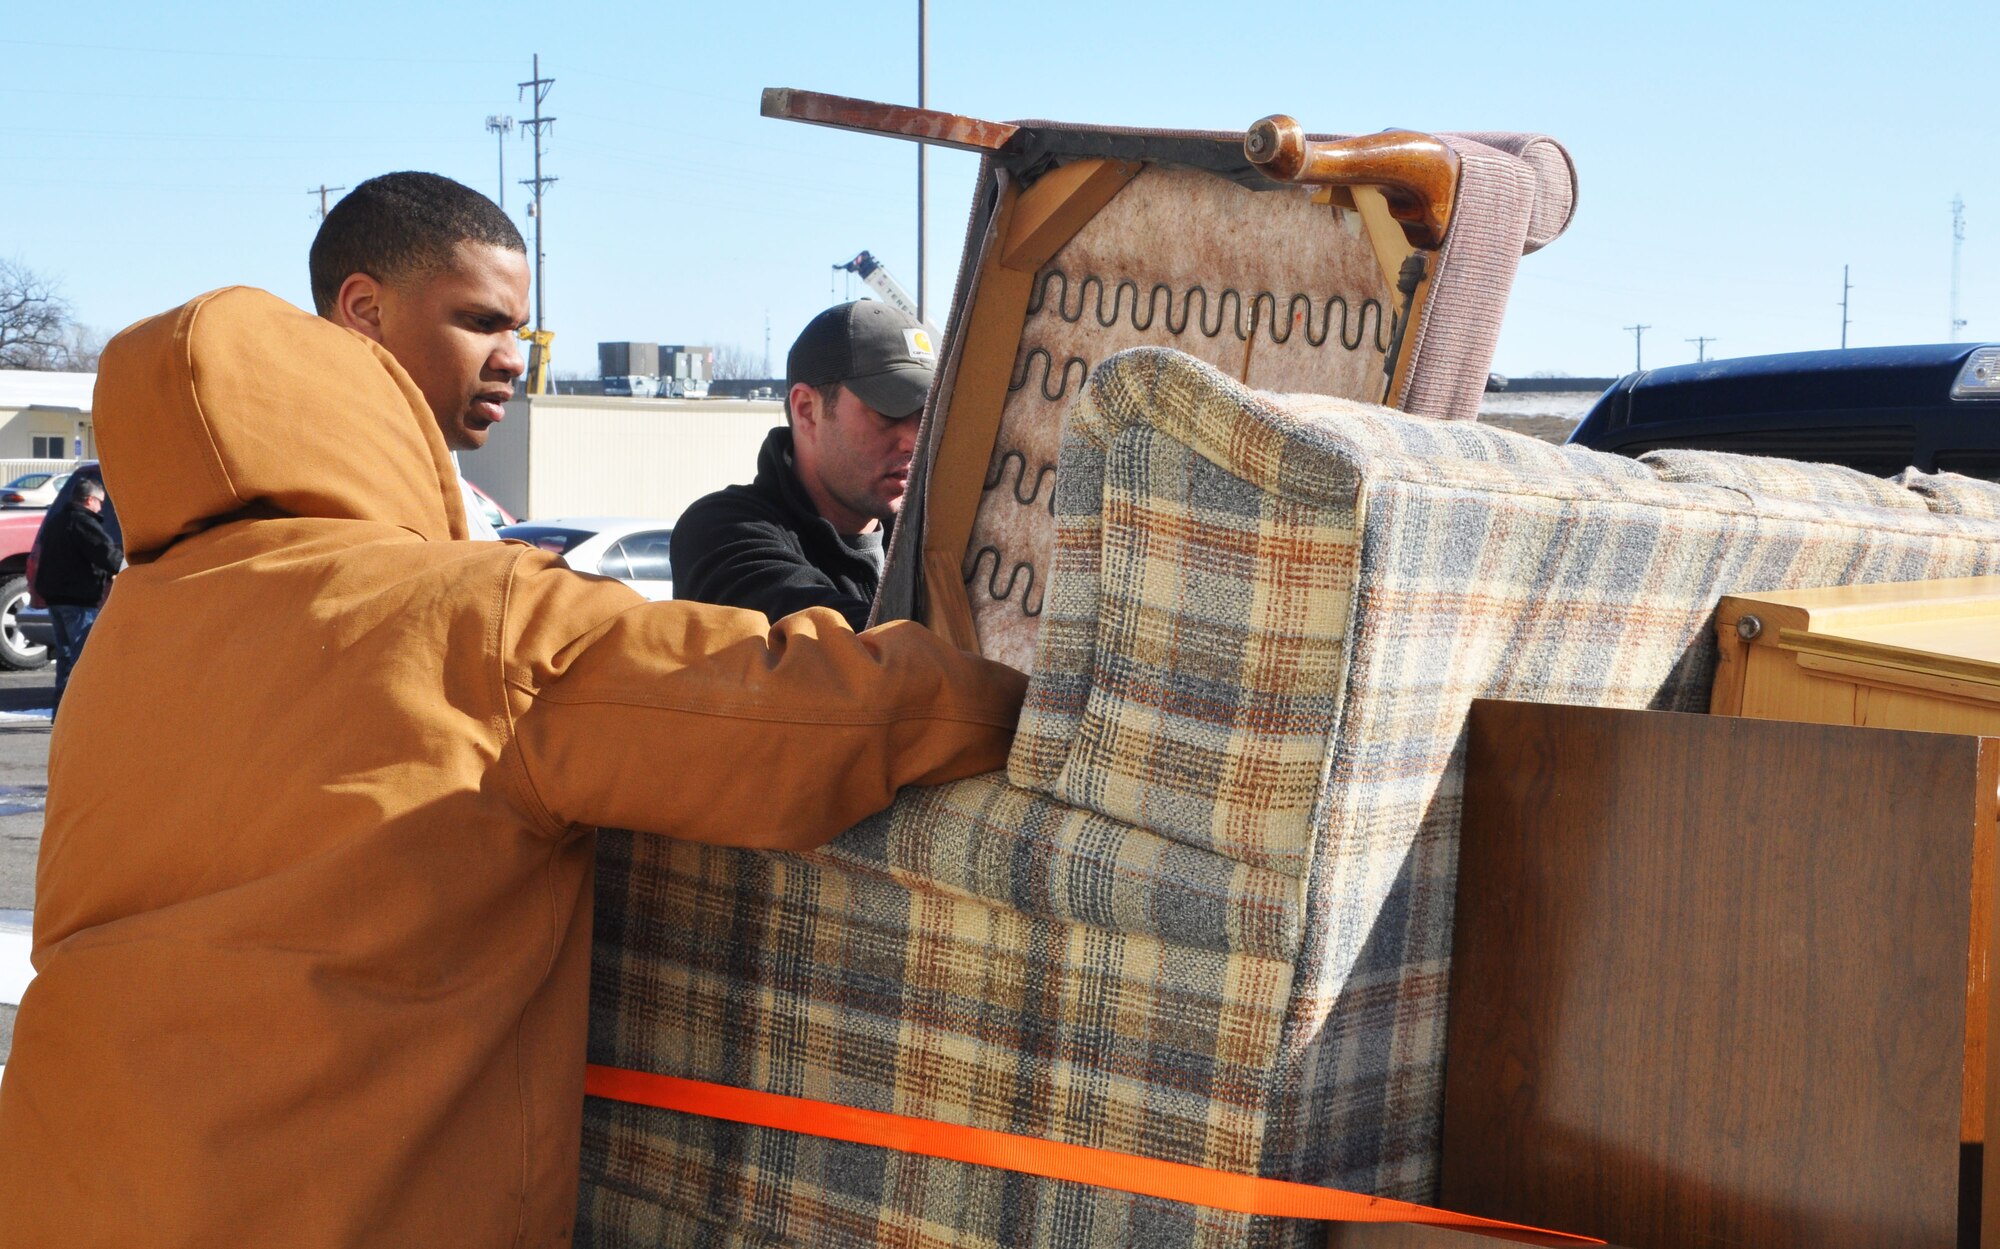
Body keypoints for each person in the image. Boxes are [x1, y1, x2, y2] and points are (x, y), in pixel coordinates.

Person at [0, 287, 1027, 1244]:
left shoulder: (123, 643)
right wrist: (1015, 695)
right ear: (371, 425)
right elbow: (809, 720)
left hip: (63, 1186)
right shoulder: (475, 614)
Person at [672, 300, 935, 630]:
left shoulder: (938, 540)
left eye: (926, 414)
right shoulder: (721, 531)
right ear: (807, 410)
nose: (915, 439)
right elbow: (841, 644)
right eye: (889, 411)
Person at [308, 171, 527, 539]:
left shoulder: (434, 476)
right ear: (366, 310)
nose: (514, 361)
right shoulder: (306, 500)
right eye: (482, 322)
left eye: (515, 331)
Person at [33, 474, 121, 710]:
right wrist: (126, 567)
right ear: (89, 500)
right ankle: (81, 712)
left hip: (54, 600)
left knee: (64, 659)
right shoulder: (83, 523)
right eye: (99, 502)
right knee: (82, 659)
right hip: (78, 601)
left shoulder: (56, 521)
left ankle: (60, 712)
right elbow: (105, 553)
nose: (100, 507)